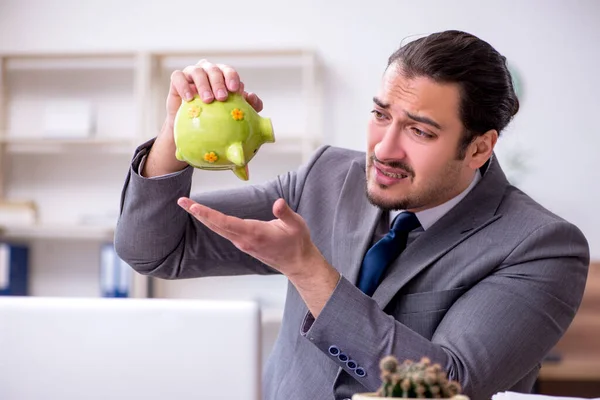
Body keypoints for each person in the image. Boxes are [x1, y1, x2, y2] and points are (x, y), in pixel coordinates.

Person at [114, 30, 590, 400]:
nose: (384, 149)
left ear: (479, 148)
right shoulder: (327, 178)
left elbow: (448, 388)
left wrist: (307, 270)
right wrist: (173, 135)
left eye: (420, 132)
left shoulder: (541, 245)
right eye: (381, 115)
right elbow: (155, 251)